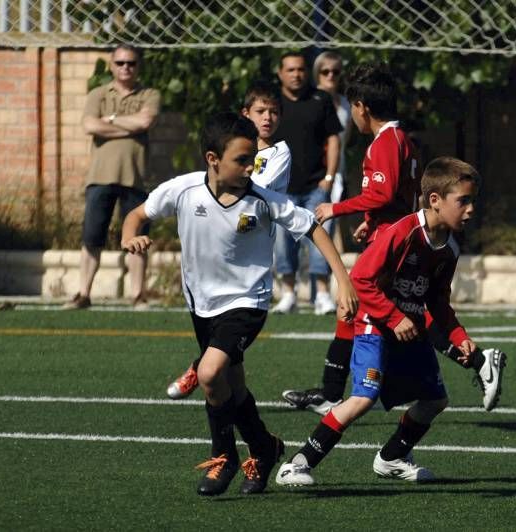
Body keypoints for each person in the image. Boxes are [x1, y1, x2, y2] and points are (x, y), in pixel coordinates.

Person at [121, 112, 358, 496]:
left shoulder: (262, 199)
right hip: (202, 305)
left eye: (253, 159)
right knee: (234, 388)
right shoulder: (183, 189)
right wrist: (129, 237)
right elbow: (137, 215)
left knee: (211, 373)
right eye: (242, 160)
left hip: (249, 301)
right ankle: (264, 447)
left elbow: (311, 226)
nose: (251, 168)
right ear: (213, 159)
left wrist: (342, 280)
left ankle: (224, 456)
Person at [280, 63, 505, 416]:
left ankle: (478, 361)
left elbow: (384, 194)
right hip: (391, 235)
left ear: (361, 107)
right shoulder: (401, 140)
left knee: (408, 316)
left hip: (394, 246)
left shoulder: (384, 142)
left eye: (352, 106)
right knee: (354, 311)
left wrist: (336, 209)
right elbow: (397, 196)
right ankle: (329, 392)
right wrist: (370, 221)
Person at [276, 157, 505, 487]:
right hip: (375, 322)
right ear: (436, 200)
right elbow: (361, 280)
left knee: (435, 401)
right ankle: (296, 464)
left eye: (473, 201)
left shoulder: (450, 248)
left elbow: (438, 301)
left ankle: (392, 458)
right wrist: (393, 317)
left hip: (407, 328)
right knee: (363, 397)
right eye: (463, 201)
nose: (470, 209)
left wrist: (458, 335)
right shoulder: (403, 232)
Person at [165, 80, 291, 400]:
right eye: (260, 111)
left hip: (247, 244)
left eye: (274, 112)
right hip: (216, 253)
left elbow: (249, 186)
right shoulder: (229, 151)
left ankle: (201, 366)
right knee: (232, 367)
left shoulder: (279, 153)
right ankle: (257, 440)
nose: (268, 118)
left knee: (226, 343)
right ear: (245, 114)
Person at [64, 44, 160, 310]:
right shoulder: (97, 94)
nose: (125, 67)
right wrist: (127, 126)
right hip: (100, 176)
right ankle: (83, 293)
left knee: (138, 237)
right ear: (111, 65)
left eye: (131, 63)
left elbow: (145, 123)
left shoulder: (150, 94)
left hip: (136, 176)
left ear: (138, 66)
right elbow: (89, 125)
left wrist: (111, 121)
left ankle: (138, 294)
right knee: (92, 235)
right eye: (120, 63)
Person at [271, 51, 343, 315]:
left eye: (300, 69)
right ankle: (288, 294)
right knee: (283, 243)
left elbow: (333, 139)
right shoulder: (272, 103)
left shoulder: (320, 99)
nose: (296, 74)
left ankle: (322, 295)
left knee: (319, 240)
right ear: (280, 73)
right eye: (290, 69)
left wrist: (329, 179)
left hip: (316, 186)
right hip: (281, 190)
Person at [312, 51, 352, 206]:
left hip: (339, 170)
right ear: (317, 73)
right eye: (325, 71)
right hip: (314, 172)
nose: (330, 76)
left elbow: (344, 139)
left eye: (335, 72)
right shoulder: (310, 100)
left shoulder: (345, 104)